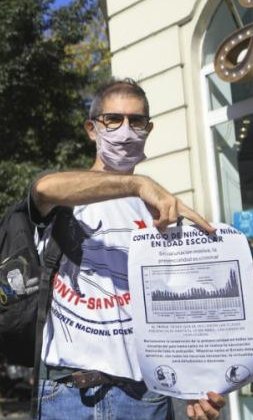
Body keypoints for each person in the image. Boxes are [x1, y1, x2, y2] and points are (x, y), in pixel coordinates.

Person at [29, 78, 226, 420]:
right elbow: (43, 189)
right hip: (67, 396)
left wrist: (197, 385)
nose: (125, 130)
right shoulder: (66, 196)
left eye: (136, 121)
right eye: (113, 120)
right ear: (92, 129)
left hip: (144, 397)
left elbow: (177, 313)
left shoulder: (166, 214)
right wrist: (137, 184)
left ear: (148, 130)